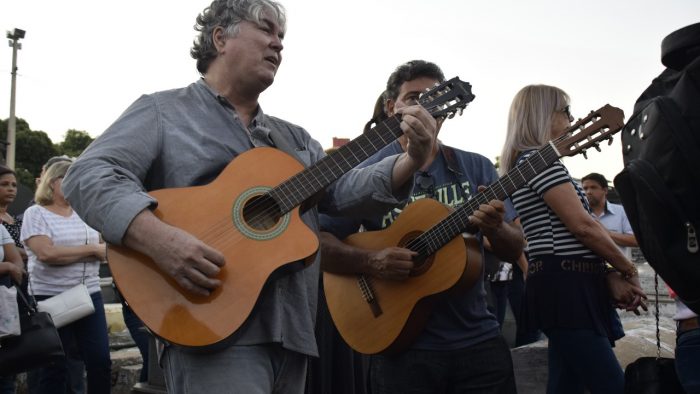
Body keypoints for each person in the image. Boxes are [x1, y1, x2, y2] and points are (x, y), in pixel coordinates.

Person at [61, 1, 437, 393]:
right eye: (267, 30)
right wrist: (158, 239)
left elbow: (342, 193)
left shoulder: (293, 138)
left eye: (282, 37)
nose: (278, 44)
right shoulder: (163, 111)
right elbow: (87, 175)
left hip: (292, 329)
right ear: (220, 38)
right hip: (206, 320)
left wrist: (410, 158)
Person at [319, 60, 525, 394]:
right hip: (400, 346)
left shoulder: (476, 166)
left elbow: (514, 248)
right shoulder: (361, 169)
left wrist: (497, 228)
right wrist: (371, 262)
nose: (426, 107)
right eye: (414, 97)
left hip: (479, 341)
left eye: (434, 98)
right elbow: (319, 243)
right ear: (391, 107)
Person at [499, 84, 648, 394]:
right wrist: (627, 269)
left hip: (562, 283)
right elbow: (583, 226)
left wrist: (607, 271)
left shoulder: (528, 163)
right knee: (610, 385)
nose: (571, 118)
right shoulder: (539, 162)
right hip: (567, 287)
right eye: (565, 111)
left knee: (566, 384)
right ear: (544, 115)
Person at [20, 161, 111, 394]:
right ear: (53, 183)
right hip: (50, 297)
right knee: (55, 367)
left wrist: (90, 252)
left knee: (100, 360)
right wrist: (90, 251)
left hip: (89, 294)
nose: (77, 183)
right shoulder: (36, 213)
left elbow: (105, 253)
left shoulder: (85, 212)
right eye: (71, 178)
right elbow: (47, 254)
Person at [581, 172, 638, 260]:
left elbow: (635, 241)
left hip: (618, 270)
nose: (588, 192)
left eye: (593, 187)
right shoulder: (580, 214)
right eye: (585, 188)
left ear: (605, 190)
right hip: (587, 269)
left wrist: (605, 233)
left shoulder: (622, 211)